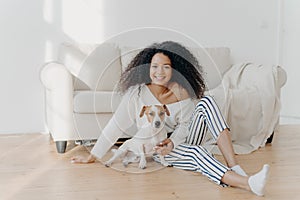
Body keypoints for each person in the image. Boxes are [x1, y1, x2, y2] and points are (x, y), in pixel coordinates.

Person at [71, 41, 269, 196]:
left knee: (207, 101)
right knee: (196, 153)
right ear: (146, 67)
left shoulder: (182, 91)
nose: (159, 72)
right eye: (154, 66)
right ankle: (248, 183)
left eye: (166, 67)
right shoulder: (137, 94)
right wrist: (93, 155)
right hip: (159, 149)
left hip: (180, 139)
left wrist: (173, 142)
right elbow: (116, 125)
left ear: (174, 69)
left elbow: (186, 125)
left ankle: (234, 166)